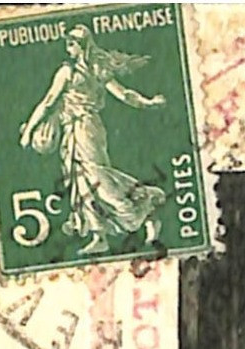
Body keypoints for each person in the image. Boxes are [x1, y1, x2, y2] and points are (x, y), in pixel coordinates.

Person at [19, 25, 167, 255]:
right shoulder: (94, 69)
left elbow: (49, 102)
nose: (68, 48)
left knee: (98, 177)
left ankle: (142, 209)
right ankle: (99, 235)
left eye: (72, 44)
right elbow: (124, 94)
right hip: (77, 129)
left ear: (82, 46)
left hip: (85, 129)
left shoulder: (70, 72)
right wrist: (147, 102)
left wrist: (29, 130)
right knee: (82, 179)